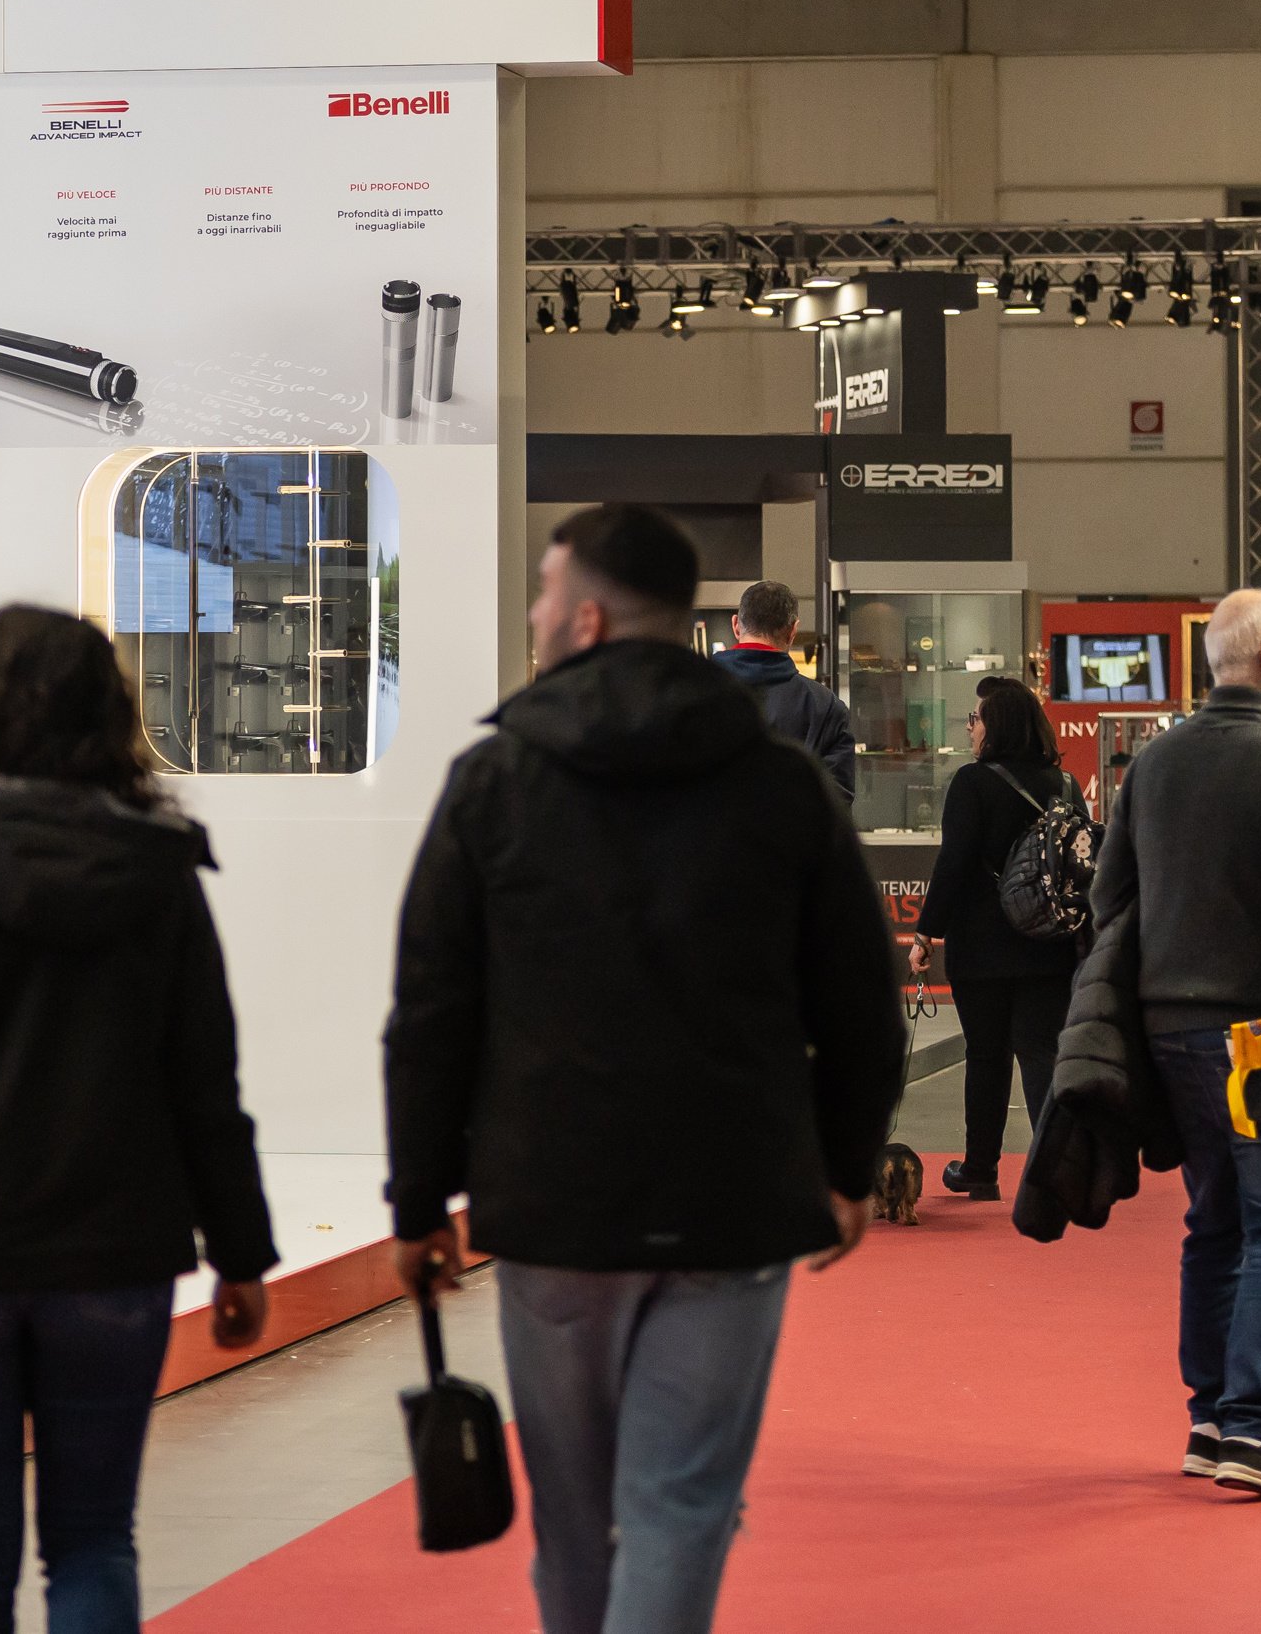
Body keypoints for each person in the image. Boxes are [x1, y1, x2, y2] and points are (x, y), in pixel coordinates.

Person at [386, 505, 902, 1634]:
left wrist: (418, 1200)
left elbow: (431, 1011)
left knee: (574, 1520)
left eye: (543, 593)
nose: (534, 613)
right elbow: (861, 1001)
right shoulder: (782, 787)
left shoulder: (493, 782)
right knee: (681, 1504)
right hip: (732, 1199)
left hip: (553, 1200)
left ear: (584, 618)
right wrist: (847, 1166)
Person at [0, 606, 275, 1634]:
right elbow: (206, 1085)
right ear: (108, 717)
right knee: (94, 1539)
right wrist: (241, 1256)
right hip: (113, 1255)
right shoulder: (160, 871)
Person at [1082, 587, 1261, 1499]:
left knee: (1215, 1223)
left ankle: (1208, 1419)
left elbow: (1107, 899)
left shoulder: (1154, 762)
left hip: (1173, 1034)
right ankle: (1251, 1428)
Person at [919, 676, 1084, 1204]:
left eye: (976, 719)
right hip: (1049, 943)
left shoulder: (972, 782)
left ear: (996, 726)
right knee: (1041, 1052)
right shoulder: (1065, 785)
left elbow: (954, 862)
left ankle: (980, 1170)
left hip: (982, 944)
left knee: (986, 1055)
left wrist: (927, 930)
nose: (971, 728)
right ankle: (1055, 1169)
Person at [711, 578, 857, 802]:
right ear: (792, 631)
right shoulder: (826, 706)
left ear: (736, 625)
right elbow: (835, 802)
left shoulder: (687, 693)